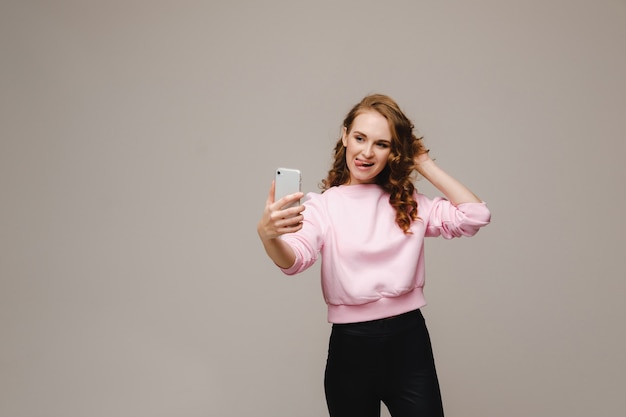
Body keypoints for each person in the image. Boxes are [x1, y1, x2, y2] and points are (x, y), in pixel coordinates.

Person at [257, 94, 491, 417]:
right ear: (345, 136)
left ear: (395, 151)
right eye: (360, 138)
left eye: (381, 144)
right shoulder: (323, 207)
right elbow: (294, 260)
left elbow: (475, 215)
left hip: (409, 346)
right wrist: (269, 237)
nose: (366, 152)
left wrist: (423, 162)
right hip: (350, 352)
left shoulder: (408, 202)